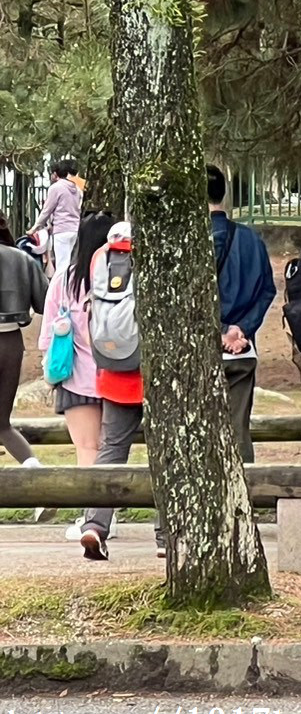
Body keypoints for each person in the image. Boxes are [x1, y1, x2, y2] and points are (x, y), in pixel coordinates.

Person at [79, 221, 154, 561]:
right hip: (153, 373)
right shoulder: (153, 255)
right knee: (164, 455)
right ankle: (168, 535)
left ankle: (94, 524)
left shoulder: (100, 258)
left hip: (112, 370)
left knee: (111, 450)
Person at [38, 212, 112, 538]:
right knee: (111, 448)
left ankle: (91, 520)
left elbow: (46, 339)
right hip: (117, 376)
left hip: (75, 378)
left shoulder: (64, 280)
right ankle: (106, 518)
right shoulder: (120, 280)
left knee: (86, 448)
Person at [209, 165, 276, 463]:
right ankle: (242, 497)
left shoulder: (185, 244)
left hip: (203, 349)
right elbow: (267, 290)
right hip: (241, 349)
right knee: (238, 430)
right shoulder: (252, 240)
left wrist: (221, 330)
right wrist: (242, 329)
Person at [0, 214, 48, 473]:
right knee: (3, 425)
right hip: (10, 341)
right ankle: (37, 480)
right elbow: (44, 302)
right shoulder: (22, 259)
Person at [28, 159, 82, 276]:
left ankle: (61, 293)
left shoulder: (56, 188)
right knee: (72, 265)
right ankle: (70, 291)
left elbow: (46, 211)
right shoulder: (77, 190)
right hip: (75, 230)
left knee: (62, 266)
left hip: (61, 230)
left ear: (56, 174)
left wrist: (34, 228)